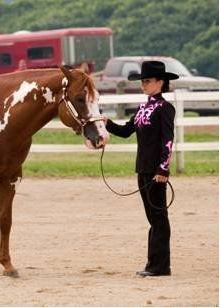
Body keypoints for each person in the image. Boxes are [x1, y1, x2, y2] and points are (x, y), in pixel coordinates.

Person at [104, 61, 178, 277]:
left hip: (156, 171)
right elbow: (127, 131)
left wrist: (163, 169)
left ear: (160, 82)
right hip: (143, 168)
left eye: (147, 81)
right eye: (143, 81)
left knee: (158, 217)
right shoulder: (143, 107)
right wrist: (107, 123)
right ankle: (154, 263)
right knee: (152, 217)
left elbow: (168, 140)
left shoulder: (165, 108)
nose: (143, 85)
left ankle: (160, 266)